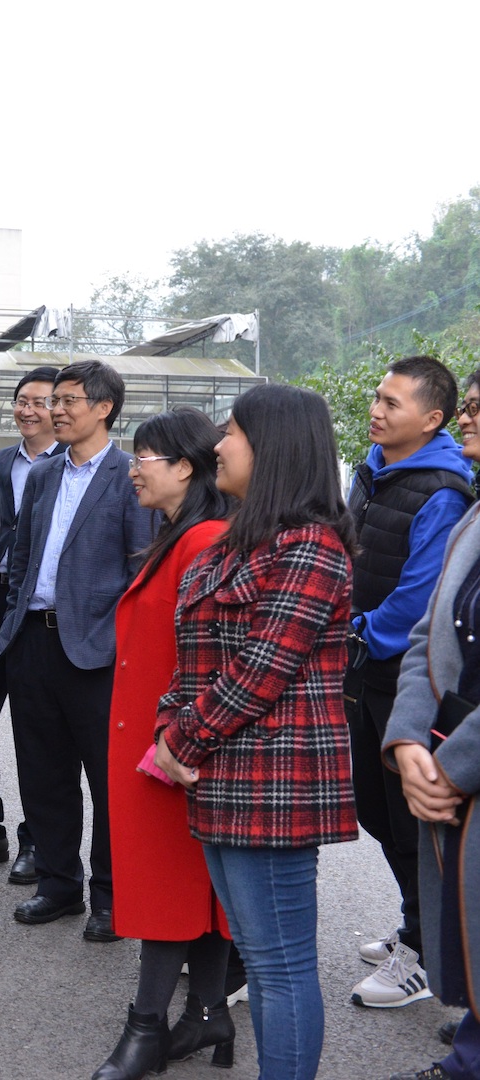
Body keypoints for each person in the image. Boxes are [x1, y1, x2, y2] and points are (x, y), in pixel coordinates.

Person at [154, 383, 358, 1080]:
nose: (218, 444)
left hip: (273, 781)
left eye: (233, 431)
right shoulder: (237, 542)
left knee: (279, 965)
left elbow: (260, 670)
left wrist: (180, 741)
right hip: (221, 775)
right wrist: (169, 728)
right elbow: (191, 659)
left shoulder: (310, 547)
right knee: (264, 954)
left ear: (273, 447)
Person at [92, 409, 234, 1080]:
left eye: (144, 456)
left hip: (173, 750)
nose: (132, 469)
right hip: (163, 746)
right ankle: (208, 1013)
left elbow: (209, 657)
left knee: (170, 888)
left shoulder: (203, 539)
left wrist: (180, 740)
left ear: (184, 466)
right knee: (192, 887)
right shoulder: (184, 534)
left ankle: (146, 1026)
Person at [0, 359, 155, 942]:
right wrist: (12, 627)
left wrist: (117, 643)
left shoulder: (129, 476)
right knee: (43, 774)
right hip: (33, 643)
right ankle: (58, 885)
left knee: (108, 780)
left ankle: (110, 897)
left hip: (97, 652)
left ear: (104, 408)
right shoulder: (42, 475)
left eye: (67, 401)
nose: (54, 410)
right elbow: (21, 560)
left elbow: (140, 571)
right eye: (53, 401)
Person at [347, 356, 472, 1009]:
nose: (376, 410)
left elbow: (420, 600)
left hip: (406, 676)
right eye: (377, 397)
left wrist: (355, 631)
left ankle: (425, 951)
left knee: (408, 819)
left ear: (431, 419)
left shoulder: (444, 491)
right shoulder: (373, 470)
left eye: (392, 404)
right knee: (375, 808)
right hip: (366, 669)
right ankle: (415, 923)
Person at [381, 368, 480, 1080]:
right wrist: (410, 738)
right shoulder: (474, 517)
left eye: (477, 408)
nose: (467, 418)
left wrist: (452, 765)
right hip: (446, 753)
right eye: (468, 405)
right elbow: (427, 634)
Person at [0, 365, 63, 881]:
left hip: (39, 609)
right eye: (21, 400)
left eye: (39, 401)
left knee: (36, 732)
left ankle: (36, 838)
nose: (27, 410)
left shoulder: (71, 464)